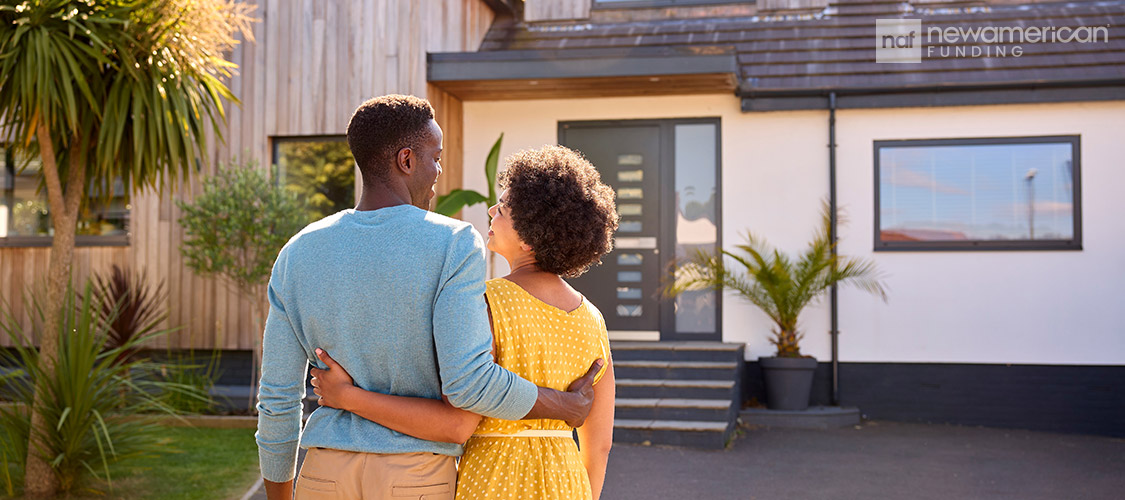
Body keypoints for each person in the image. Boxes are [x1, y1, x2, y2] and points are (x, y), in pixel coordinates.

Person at [255, 96, 602, 500]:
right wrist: (563, 405)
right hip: (415, 475)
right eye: (435, 158)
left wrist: (280, 494)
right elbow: (469, 384)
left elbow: (277, 398)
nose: (439, 171)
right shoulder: (452, 242)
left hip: (322, 475)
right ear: (406, 160)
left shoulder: (298, 251)